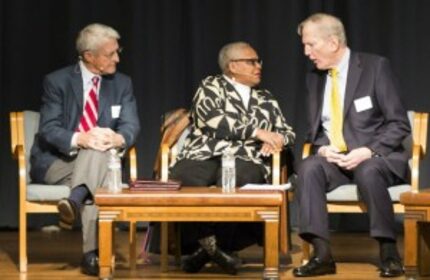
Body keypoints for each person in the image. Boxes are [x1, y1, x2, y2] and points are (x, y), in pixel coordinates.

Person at [293, 13, 410, 278]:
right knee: (309, 167)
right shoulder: (315, 77)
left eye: (311, 44)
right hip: (336, 159)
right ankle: (322, 255)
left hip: (375, 156)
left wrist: (368, 151)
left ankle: (389, 253)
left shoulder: (375, 67)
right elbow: (316, 130)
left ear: (333, 43)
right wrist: (323, 148)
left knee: (368, 171)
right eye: (304, 45)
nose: (306, 52)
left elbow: (399, 124)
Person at [168, 41, 295, 275]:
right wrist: (258, 132)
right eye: (252, 61)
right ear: (233, 65)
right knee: (185, 177)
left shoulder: (266, 98)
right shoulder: (210, 85)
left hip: (245, 157)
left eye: (259, 61)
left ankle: (210, 250)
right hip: (204, 152)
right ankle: (215, 249)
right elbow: (213, 120)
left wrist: (276, 139)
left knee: (241, 178)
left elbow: (287, 131)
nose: (259, 66)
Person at [29, 23, 140, 276]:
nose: (117, 58)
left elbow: (131, 125)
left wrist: (117, 138)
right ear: (89, 56)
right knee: (95, 162)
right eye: (110, 54)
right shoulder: (57, 82)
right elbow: (49, 128)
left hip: (101, 158)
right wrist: (82, 138)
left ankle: (76, 198)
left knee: (97, 153)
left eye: (117, 51)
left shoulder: (122, 84)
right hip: (57, 161)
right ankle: (93, 254)